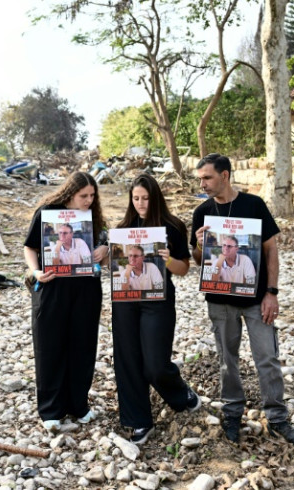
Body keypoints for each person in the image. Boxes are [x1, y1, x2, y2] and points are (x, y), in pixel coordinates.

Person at [191, 153, 294, 445]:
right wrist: (198, 244)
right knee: (227, 360)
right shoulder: (202, 212)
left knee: (267, 356)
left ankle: (278, 419)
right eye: (200, 178)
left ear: (225, 175)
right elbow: (197, 260)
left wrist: (272, 293)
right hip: (219, 300)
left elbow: (271, 250)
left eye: (207, 177)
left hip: (257, 300)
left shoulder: (254, 205)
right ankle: (232, 413)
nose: (203, 183)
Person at [112, 173, 201, 445]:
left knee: (154, 364)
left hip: (159, 300)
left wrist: (169, 259)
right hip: (126, 300)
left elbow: (184, 268)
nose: (140, 203)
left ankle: (180, 392)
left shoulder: (172, 226)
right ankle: (139, 421)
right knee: (127, 359)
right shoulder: (124, 228)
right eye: (136, 198)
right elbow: (116, 268)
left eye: (146, 198)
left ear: (156, 198)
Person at [23, 171, 108, 432]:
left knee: (82, 346)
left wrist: (105, 250)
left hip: (86, 291)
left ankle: (78, 404)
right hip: (52, 288)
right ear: (71, 194)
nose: (89, 201)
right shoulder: (47, 213)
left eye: (93, 196)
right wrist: (36, 272)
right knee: (50, 346)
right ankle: (51, 409)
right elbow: (30, 247)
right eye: (84, 196)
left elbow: (104, 254)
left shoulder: (94, 219)